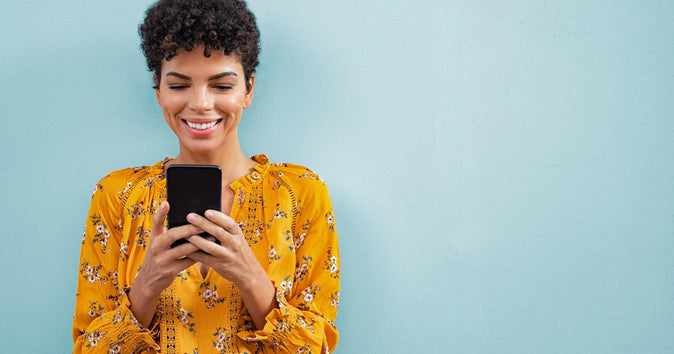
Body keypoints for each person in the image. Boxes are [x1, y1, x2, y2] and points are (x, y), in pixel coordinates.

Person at [71, 0, 340, 352]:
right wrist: (146, 287)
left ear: (249, 90)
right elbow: (89, 347)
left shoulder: (300, 193)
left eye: (222, 86)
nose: (200, 103)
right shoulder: (117, 195)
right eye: (180, 85)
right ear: (158, 90)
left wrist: (249, 274)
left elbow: (315, 347)